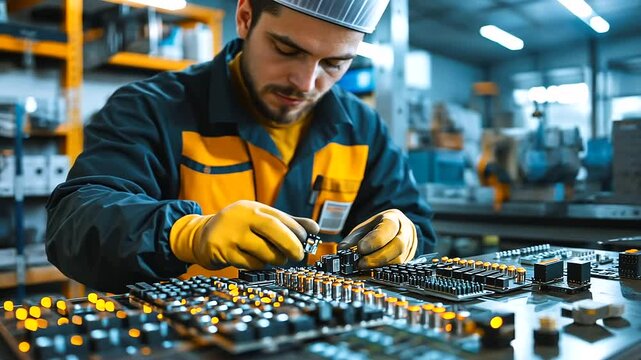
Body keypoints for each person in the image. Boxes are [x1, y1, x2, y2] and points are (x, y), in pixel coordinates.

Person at [45, 0, 437, 292]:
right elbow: (73, 225)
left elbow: (416, 226)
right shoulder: (152, 108)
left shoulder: (362, 128)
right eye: (288, 50)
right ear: (245, 17)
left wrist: (407, 235)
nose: (305, 82)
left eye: (334, 63)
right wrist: (185, 235)